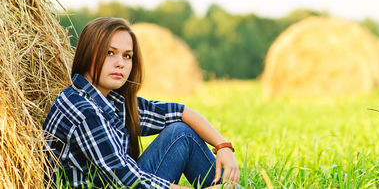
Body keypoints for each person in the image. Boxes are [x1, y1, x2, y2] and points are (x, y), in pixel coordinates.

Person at [42, 17, 240, 188]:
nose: (120, 63)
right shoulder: (83, 110)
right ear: (87, 53)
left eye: (127, 56)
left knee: (181, 132)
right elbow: (127, 181)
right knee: (181, 136)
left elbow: (177, 112)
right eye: (110, 52)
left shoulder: (110, 100)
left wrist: (223, 146)